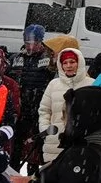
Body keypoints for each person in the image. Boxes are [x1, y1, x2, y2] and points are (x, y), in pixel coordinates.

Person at [35, 37, 94, 165]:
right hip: (54, 144)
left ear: (79, 62)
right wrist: (46, 130)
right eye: (65, 63)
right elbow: (44, 110)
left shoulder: (92, 85)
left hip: (82, 144)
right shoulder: (53, 84)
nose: (68, 66)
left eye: (72, 62)